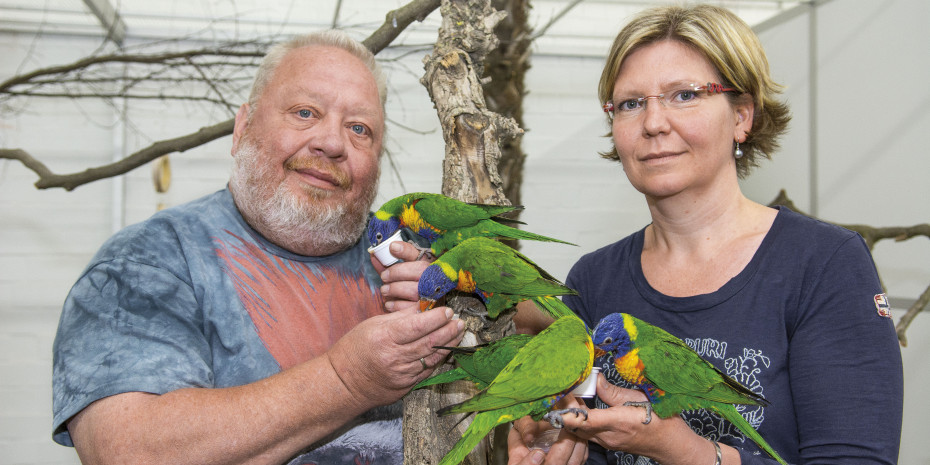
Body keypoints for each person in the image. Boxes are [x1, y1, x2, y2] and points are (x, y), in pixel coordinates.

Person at [509, 4, 903, 465]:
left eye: (684, 95)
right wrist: (548, 437)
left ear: (742, 117)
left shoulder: (824, 264)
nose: (653, 123)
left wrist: (687, 451)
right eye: (631, 103)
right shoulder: (594, 279)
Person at [51, 30, 467, 465]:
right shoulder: (147, 263)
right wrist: (345, 379)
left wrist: (537, 419)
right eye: (305, 113)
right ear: (242, 128)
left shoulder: (409, 252)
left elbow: (533, 321)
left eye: (359, 129)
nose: (332, 143)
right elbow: (127, 450)